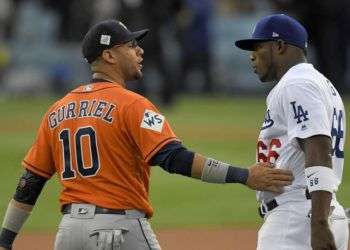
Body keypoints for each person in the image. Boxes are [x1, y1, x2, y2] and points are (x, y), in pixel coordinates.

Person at [0, 20, 294, 250]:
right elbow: (173, 158)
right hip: (119, 230)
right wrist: (245, 175)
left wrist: (5, 239)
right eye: (131, 46)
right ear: (109, 55)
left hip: (68, 233)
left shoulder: (57, 110)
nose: (140, 51)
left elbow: (30, 182)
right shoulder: (133, 104)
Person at [235, 14, 349, 250]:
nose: (252, 55)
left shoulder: (297, 84)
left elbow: (318, 145)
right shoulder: (318, 83)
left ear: (279, 46)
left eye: (258, 46)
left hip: (297, 220)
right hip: (312, 211)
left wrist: (318, 223)